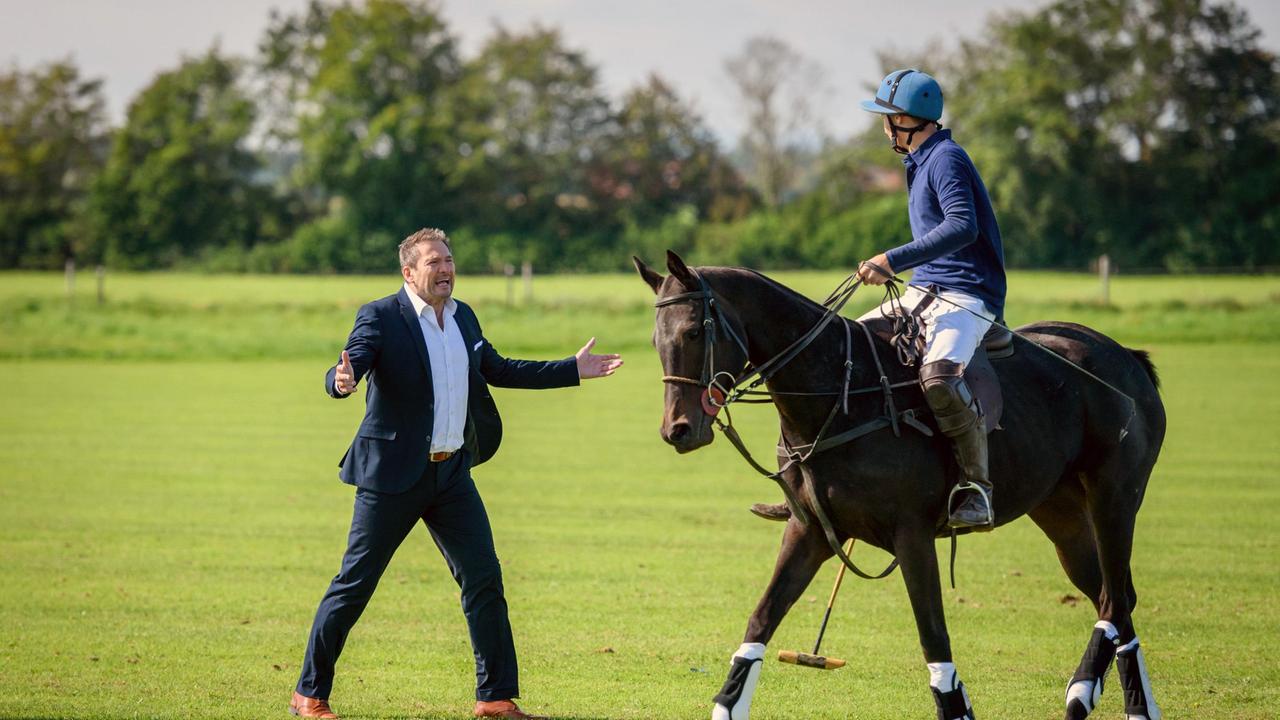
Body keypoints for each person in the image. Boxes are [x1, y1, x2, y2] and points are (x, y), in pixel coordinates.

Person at [289, 228, 623, 720]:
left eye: (448, 260)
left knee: (484, 579)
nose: (445, 269)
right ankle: (308, 695)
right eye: (433, 262)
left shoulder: (463, 315)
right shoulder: (381, 316)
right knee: (355, 583)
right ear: (409, 272)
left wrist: (571, 370)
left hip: (451, 476)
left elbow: (499, 368)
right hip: (391, 478)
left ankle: (495, 699)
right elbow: (351, 360)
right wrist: (340, 381)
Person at [751, 69, 1007, 530]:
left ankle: (977, 490)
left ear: (908, 119)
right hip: (925, 290)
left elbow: (962, 226)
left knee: (941, 380)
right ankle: (799, 483)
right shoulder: (919, 161)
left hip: (967, 294)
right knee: (833, 352)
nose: (883, 126)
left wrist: (891, 258)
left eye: (887, 117)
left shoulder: (946, 158)